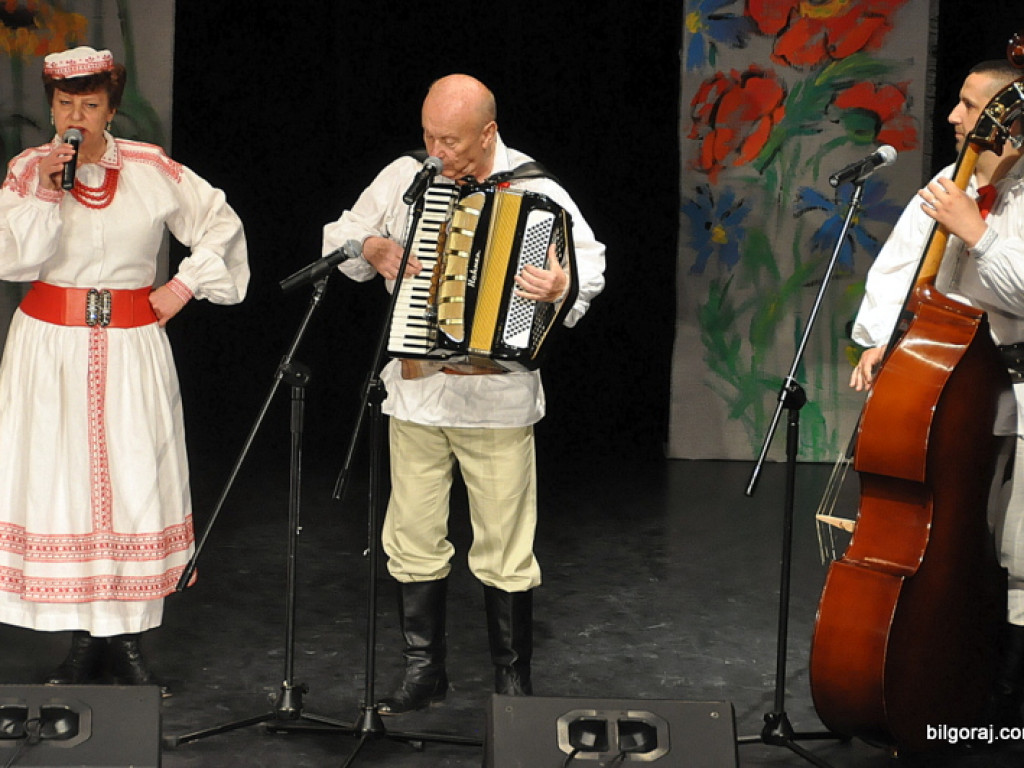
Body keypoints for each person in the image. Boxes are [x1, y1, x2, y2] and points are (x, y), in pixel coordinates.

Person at [323, 74, 605, 713]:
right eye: (429, 135)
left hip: (496, 396)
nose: (436, 151)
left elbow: (589, 265)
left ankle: (512, 679)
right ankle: (425, 670)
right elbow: (339, 236)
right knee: (412, 534)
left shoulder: (537, 190)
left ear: (487, 132)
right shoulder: (406, 177)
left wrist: (562, 287)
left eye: (449, 140)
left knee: (506, 542)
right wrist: (371, 246)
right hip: (418, 392)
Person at [0, 47, 249, 694]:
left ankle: (128, 643)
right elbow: (13, 259)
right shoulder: (28, 170)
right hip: (50, 349)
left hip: (132, 346)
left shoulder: (149, 168)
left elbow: (220, 224)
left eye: (89, 105)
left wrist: (182, 287)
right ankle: (82, 644)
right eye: (64, 104)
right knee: (63, 489)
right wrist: (45, 190)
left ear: (111, 110)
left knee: (136, 483)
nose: (75, 117)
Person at [849, 60, 1024, 725]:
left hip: (1016, 391)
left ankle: (1009, 700)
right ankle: (943, 673)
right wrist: (883, 336)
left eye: (969, 105)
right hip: (950, 389)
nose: (954, 117)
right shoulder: (951, 181)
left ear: (1009, 118)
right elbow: (899, 267)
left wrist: (977, 232)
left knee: (1017, 550)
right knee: (944, 534)